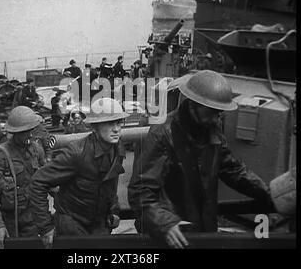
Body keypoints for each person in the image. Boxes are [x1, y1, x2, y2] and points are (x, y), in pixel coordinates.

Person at [128, 70, 274, 249]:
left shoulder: (213, 132)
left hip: (203, 229)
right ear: (193, 105)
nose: (215, 118)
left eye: (218, 113)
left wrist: (270, 194)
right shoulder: (162, 135)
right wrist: (164, 223)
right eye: (211, 111)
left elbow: (233, 170)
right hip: (171, 235)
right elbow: (141, 190)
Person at [30, 98, 130, 248]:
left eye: (118, 123)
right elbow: (38, 182)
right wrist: (45, 227)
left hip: (99, 224)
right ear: (95, 127)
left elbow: (110, 183)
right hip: (73, 225)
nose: (116, 129)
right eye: (110, 123)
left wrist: (114, 210)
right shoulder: (77, 153)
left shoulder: (117, 148)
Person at [0, 106, 45, 249]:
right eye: (26, 131)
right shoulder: (1, 154)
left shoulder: (36, 150)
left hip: (33, 220)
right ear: (16, 132)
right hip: (10, 223)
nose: (30, 135)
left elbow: (45, 179)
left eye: (31, 130)